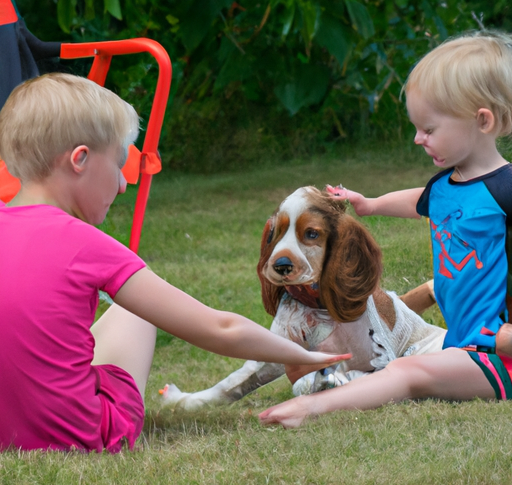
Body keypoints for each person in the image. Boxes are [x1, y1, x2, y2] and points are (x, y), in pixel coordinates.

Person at [0, 73, 348, 452]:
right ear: (80, 159)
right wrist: (304, 354)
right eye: (119, 163)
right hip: (82, 436)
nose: (121, 183)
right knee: (134, 312)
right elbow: (220, 328)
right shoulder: (87, 244)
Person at [259, 30, 512, 429]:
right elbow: (419, 201)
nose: (417, 138)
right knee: (408, 365)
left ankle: (313, 408)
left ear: (482, 121)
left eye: (429, 129)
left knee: (404, 375)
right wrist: (371, 204)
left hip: (495, 353)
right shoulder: (446, 185)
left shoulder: (506, 188)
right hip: (461, 341)